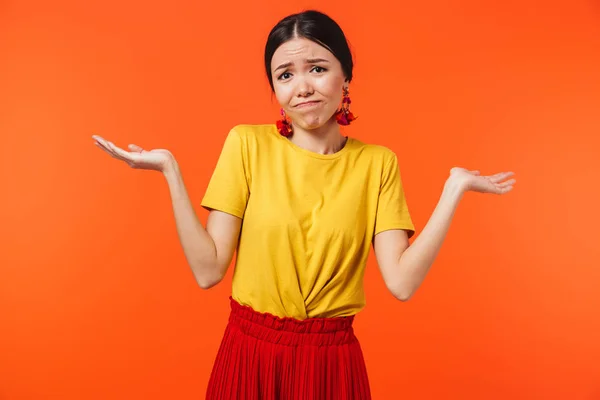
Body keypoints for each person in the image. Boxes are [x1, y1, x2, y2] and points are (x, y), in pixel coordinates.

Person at [92, 9, 516, 400]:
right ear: (275, 87)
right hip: (251, 356)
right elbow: (208, 271)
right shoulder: (247, 145)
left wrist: (453, 190)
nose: (303, 87)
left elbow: (401, 283)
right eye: (285, 75)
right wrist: (170, 170)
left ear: (346, 77)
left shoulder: (377, 164)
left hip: (332, 363)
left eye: (317, 68)